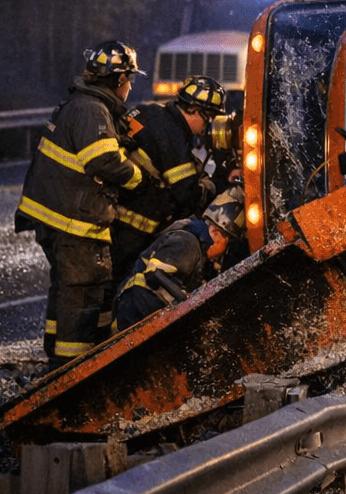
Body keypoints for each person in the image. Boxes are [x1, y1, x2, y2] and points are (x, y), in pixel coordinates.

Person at [15, 40, 146, 366]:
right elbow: (103, 161)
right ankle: (72, 370)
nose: (130, 87)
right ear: (119, 79)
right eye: (130, 79)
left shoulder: (82, 103)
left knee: (67, 290)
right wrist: (137, 177)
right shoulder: (92, 110)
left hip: (58, 217)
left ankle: (56, 359)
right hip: (74, 222)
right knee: (84, 292)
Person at [111, 75, 227, 283]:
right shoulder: (172, 135)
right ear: (194, 110)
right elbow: (188, 194)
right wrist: (214, 184)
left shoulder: (152, 112)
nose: (208, 125)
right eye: (209, 117)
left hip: (110, 213)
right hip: (130, 226)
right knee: (124, 284)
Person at [112, 185, 246, 333]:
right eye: (227, 243)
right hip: (136, 309)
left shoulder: (194, 246)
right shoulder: (187, 242)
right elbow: (154, 274)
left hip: (139, 309)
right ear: (215, 232)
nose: (225, 251)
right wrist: (188, 303)